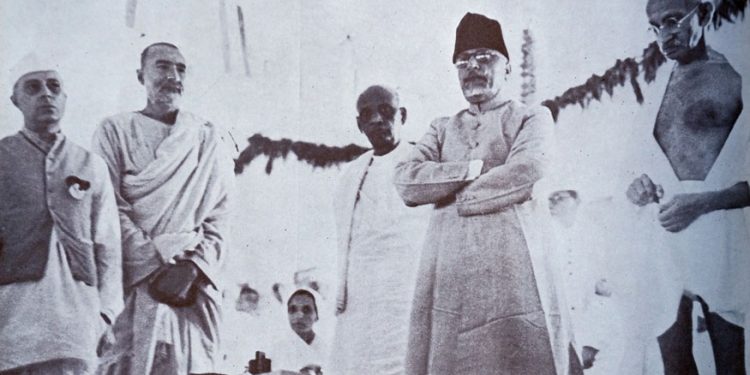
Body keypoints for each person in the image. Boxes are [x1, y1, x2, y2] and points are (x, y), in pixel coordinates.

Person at [393, 12, 569, 374]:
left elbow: (527, 170)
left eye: (485, 57)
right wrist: (468, 170)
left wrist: (452, 194)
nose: (473, 67)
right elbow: (407, 180)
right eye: (463, 61)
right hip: (450, 273)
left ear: (507, 68)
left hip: (512, 269)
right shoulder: (441, 128)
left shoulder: (531, 118)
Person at [93, 42, 235, 375]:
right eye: (162, 67)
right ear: (140, 75)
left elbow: (221, 215)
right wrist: (156, 267)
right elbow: (108, 206)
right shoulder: (114, 131)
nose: (173, 77)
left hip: (192, 287)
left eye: (180, 69)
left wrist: (193, 267)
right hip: (133, 280)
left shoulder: (206, 138)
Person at [625, 0, 749, 373]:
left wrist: (703, 203)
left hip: (720, 232)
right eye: (656, 26)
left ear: (706, 14)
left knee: (730, 364)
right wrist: (638, 186)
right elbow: (645, 164)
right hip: (665, 233)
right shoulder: (657, 85)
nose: (665, 34)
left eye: (674, 20)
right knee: (674, 364)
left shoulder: (737, 77)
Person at [0, 61, 122, 374]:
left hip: (77, 327)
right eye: (33, 87)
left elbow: (108, 246)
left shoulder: (91, 164)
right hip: (13, 322)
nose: (45, 94)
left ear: (65, 97)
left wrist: (105, 315)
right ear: (15, 100)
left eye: (54, 87)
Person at [329, 85, 430, 375]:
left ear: (403, 115)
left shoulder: (423, 162)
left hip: (407, 291)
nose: (376, 119)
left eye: (385, 110)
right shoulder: (351, 174)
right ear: (359, 124)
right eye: (367, 114)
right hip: (361, 294)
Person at [268, 288, 328, 374]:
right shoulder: (276, 350)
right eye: (293, 309)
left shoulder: (328, 350)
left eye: (306, 310)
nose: (299, 315)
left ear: (317, 315)